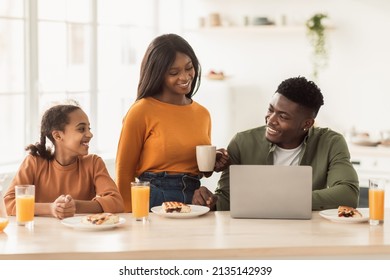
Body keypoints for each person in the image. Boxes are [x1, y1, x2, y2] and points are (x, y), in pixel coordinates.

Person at [193, 76, 360, 211]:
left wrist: (284, 200)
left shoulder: (331, 143)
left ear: (307, 124)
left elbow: (348, 194)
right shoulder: (242, 143)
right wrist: (211, 201)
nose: (270, 120)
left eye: (283, 116)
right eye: (271, 110)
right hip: (253, 234)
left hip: (307, 232)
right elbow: (228, 199)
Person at [115, 33, 228, 212]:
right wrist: (131, 215)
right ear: (158, 74)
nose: (184, 77)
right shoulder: (141, 111)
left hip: (193, 198)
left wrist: (214, 163)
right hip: (154, 197)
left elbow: (199, 169)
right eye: (173, 73)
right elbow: (123, 173)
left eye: (189, 68)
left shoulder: (202, 113)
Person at [4, 103, 124, 219]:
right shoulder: (34, 162)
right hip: (40, 235)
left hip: (82, 236)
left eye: (89, 128)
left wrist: (75, 206)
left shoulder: (93, 163)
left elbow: (116, 202)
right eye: (81, 129)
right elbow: (8, 204)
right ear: (58, 136)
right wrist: (51, 208)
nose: (90, 134)